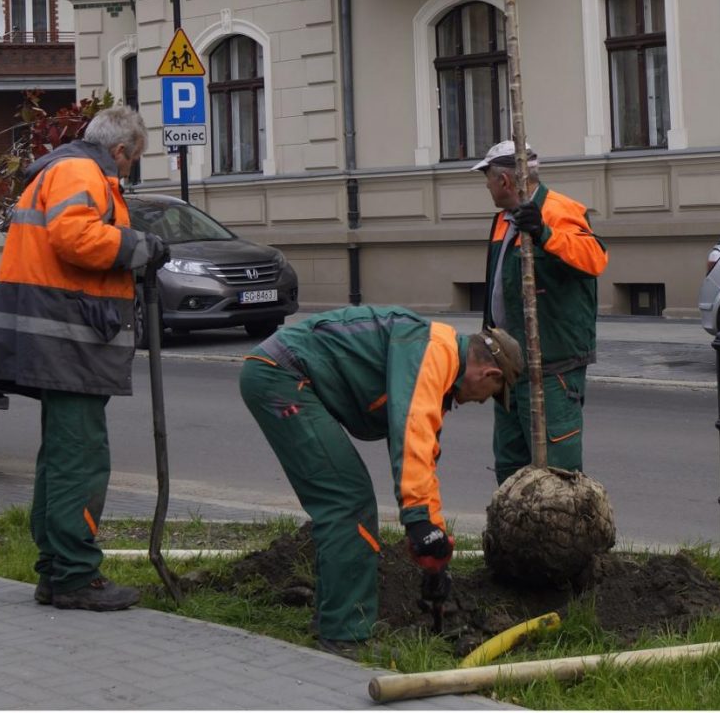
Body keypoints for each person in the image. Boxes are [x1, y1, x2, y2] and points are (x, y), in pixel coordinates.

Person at [240, 304, 523, 655]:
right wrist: (418, 521)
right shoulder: (435, 351)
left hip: (286, 376)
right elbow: (412, 432)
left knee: (347, 500)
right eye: (493, 396)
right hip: (281, 375)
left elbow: (423, 455)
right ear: (490, 374)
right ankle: (344, 636)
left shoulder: (437, 358)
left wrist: (434, 550)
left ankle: (332, 620)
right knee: (348, 502)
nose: (482, 403)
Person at [0, 106, 170, 611]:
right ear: (121, 150)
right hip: (67, 340)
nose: (128, 172)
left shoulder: (64, 169)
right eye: (132, 162)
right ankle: (73, 575)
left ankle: (56, 569)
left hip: (61, 338)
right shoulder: (81, 171)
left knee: (64, 455)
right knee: (80, 457)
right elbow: (75, 236)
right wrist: (139, 246)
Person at [472, 140, 608, 485]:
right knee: (510, 469)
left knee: (556, 475)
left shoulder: (558, 210)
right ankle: (513, 537)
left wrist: (543, 233)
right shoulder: (503, 220)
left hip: (551, 368)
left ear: (504, 181)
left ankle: (558, 539)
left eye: (487, 178)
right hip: (508, 369)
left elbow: (594, 259)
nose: (485, 185)